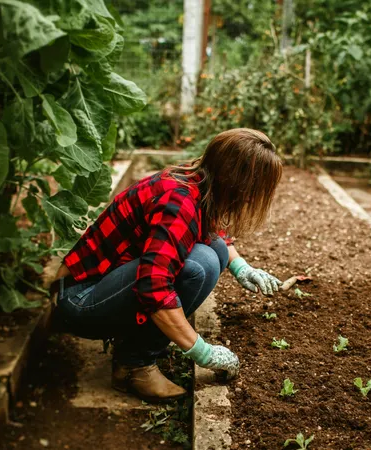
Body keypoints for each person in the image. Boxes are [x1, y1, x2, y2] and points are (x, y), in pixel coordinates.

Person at [49, 128, 283, 402]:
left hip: (101, 288)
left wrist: (243, 268)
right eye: (255, 190)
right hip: (78, 300)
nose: (251, 199)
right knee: (198, 266)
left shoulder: (197, 179)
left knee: (216, 249)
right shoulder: (178, 201)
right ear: (237, 183)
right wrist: (202, 351)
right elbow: (153, 285)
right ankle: (135, 365)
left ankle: (136, 344)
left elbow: (213, 231)